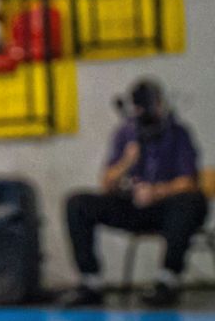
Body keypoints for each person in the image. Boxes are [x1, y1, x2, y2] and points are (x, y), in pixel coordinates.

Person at [62, 79, 206, 308]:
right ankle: (91, 282)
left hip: (166, 208)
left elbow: (188, 182)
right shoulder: (125, 133)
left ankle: (167, 280)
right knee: (77, 203)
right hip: (131, 206)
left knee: (191, 202)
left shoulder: (178, 134)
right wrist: (126, 162)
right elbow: (106, 184)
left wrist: (156, 192)